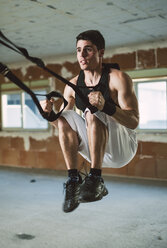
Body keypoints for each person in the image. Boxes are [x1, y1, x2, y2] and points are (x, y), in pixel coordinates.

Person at [41, 30, 139, 213]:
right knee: (65, 116)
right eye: (78, 50)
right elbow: (64, 128)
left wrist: (107, 107)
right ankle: (73, 181)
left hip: (122, 148)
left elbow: (133, 122)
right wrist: (49, 115)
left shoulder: (118, 78)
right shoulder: (72, 86)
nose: (82, 55)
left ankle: (95, 178)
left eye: (88, 50)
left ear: (101, 52)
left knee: (92, 112)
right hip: (95, 150)